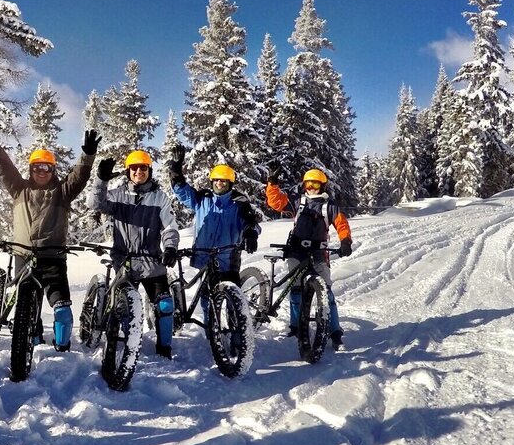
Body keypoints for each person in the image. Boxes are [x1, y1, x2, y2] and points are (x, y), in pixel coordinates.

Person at [0, 120, 99, 351]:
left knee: (62, 310)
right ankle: (32, 343)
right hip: (23, 256)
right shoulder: (19, 188)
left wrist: (87, 156)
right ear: (31, 169)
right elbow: (5, 167)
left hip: (52, 259)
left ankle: (62, 350)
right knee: (27, 307)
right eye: (37, 167)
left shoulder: (62, 192)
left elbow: (78, 177)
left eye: (46, 167)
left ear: (53, 170)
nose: (41, 171)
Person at [92, 150, 180, 358]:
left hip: (151, 262)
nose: (138, 171)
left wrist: (170, 248)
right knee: (123, 308)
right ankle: (125, 344)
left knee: (165, 305)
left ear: (149, 170)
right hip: (124, 262)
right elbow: (95, 204)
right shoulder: (117, 195)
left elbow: (170, 226)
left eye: (143, 167)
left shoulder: (160, 198)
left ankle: (164, 348)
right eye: (134, 167)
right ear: (128, 171)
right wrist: (101, 181)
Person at [265, 164, 353, 348]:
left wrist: (345, 241)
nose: (311, 188)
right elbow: (276, 202)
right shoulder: (298, 201)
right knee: (296, 290)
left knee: (326, 293)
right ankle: (295, 327)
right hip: (297, 251)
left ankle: (335, 332)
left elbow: (342, 224)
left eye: (316, 184)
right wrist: (272, 184)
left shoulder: (330, 206)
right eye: (308, 184)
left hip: (319, 253)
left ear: (323, 186)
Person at [166, 144, 262, 308]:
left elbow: (251, 223)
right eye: (216, 180)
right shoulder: (202, 199)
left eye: (223, 181)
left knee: (234, 302)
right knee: (207, 300)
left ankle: (235, 323)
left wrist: (251, 234)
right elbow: (181, 191)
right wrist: (175, 168)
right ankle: (209, 323)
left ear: (230, 183)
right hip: (205, 257)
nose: (219, 183)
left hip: (228, 260)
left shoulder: (239, 203)